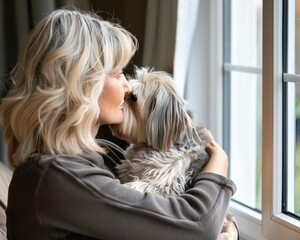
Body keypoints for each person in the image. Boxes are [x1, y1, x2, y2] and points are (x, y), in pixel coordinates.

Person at [0, 9, 238, 240]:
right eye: (117, 72)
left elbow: (172, 215)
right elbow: (197, 226)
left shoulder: (98, 158)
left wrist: (229, 225)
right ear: (83, 84)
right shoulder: (58, 179)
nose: (127, 86)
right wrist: (219, 164)